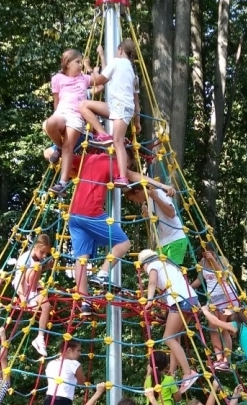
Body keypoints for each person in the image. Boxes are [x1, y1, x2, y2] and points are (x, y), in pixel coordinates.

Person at [67, 152, 173, 302]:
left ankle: (84, 301)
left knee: (81, 258)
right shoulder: (115, 162)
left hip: (73, 214)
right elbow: (135, 176)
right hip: (91, 212)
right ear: (124, 158)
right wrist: (162, 186)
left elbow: (58, 155)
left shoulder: (89, 158)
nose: (125, 169)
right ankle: (102, 274)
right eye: (127, 164)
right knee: (124, 243)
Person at [138, 250, 203, 395]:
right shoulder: (168, 266)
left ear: (145, 263)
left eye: (142, 268)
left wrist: (149, 301)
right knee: (175, 338)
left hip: (180, 301)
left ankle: (188, 373)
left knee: (168, 338)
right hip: (191, 299)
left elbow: (152, 282)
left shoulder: (152, 265)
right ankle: (172, 373)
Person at [79, 39, 141, 187]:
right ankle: (103, 134)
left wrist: (89, 70)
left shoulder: (117, 62)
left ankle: (123, 177)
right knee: (84, 105)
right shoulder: (133, 72)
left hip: (120, 107)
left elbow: (99, 80)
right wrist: (137, 122)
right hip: (120, 107)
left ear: (120, 50)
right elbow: (136, 102)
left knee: (118, 141)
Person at [43, 49, 97, 197]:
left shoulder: (83, 79)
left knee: (68, 147)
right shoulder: (57, 79)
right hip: (62, 113)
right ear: (67, 63)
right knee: (48, 124)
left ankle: (62, 183)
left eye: (81, 62)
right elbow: (56, 102)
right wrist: (57, 117)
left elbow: (99, 82)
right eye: (77, 62)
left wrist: (90, 67)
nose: (80, 65)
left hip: (76, 118)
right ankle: (60, 148)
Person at [192, 246, 239, 371]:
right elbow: (199, 280)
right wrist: (188, 287)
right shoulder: (202, 262)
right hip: (213, 298)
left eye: (210, 253)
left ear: (214, 252)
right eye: (204, 253)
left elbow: (223, 276)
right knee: (213, 328)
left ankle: (226, 361)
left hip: (227, 295)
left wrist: (213, 259)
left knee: (223, 328)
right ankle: (219, 359)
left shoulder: (222, 259)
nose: (207, 255)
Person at [12, 233, 53, 357]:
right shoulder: (25, 258)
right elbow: (19, 279)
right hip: (24, 288)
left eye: (46, 253)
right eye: (42, 252)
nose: (44, 255)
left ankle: (40, 338)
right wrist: (22, 297)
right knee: (37, 267)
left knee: (47, 306)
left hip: (34, 287)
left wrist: (47, 267)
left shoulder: (37, 259)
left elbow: (37, 272)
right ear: (35, 247)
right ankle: (31, 298)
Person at [128, 182, 188, 265]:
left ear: (137, 192)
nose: (135, 202)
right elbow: (158, 219)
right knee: (154, 267)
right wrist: (147, 214)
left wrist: (157, 198)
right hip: (163, 242)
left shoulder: (158, 193)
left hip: (175, 239)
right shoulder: (149, 200)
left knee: (172, 270)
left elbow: (171, 213)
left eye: (133, 199)